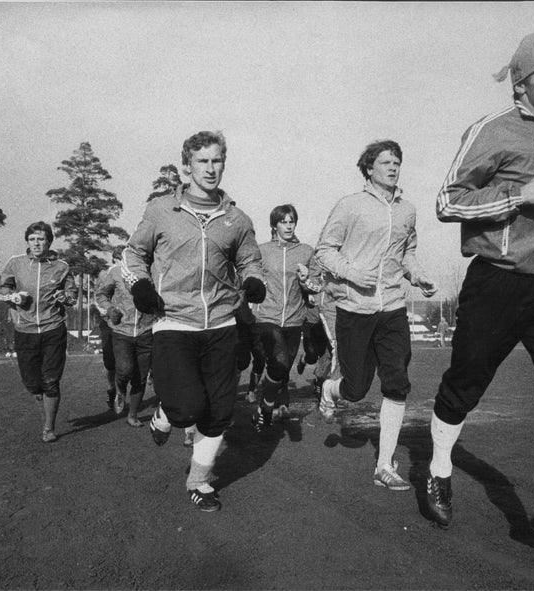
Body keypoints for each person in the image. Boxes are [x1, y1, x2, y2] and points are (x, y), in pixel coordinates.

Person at [425, 33, 534, 573]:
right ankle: (437, 469)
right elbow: (447, 201)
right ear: (523, 82)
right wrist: (518, 197)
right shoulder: (491, 129)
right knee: (464, 387)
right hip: (497, 284)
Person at [123, 131, 265, 512]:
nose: (210, 168)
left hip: (220, 322)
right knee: (188, 406)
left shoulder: (236, 218)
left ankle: (198, 482)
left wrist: (253, 280)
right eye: (202, 161)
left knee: (219, 412)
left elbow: (251, 260)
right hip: (173, 321)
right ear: (187, 166)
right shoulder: (160, 211)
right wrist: (139, 284)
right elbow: (133, 254)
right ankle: (166, 414)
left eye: (216, 160)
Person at [315, 140, 437, 491]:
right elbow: (325, 251)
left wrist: (418, 275)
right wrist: (352, 273)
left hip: (393, 306)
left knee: (397, 382)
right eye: (385, 162)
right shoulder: (349, 206)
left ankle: (384, 465)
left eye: (397, 161)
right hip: (355, 307)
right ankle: (330, 389)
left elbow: (407, 253)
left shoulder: (408, 210)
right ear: (369, 168)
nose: (393, 167)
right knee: (356, 389)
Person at [0, 221, 77, 443]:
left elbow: (72, 295)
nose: (36, 243)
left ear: (49, 241)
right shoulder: (16, 263)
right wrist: (13, 296)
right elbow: (3, 287)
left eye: (40, 239)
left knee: (51, 380)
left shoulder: (61, 266)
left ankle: (49, 427)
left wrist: (65, 298)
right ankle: (38, 392)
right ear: (27, 242)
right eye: (32, 239)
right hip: (25, 329)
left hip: (53, 328)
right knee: (32, 383)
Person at [251, 204, 316, 431]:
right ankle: (267, 407)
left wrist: (307, 280)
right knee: (279, 362)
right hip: (267, 317)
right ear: (274, 225)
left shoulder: (306, 251)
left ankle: (262, 408)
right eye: (283, 221)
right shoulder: (263, 251)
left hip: (295, 320)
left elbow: (317, 286)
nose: (288, 225)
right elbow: (250, 274)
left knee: (282, 369)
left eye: (291, 221)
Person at [95, 245, 155, 427]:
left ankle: (133, 415)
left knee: (141, 376)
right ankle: (120, 388)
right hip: (122, 330)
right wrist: (110, 309)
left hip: (147, 330)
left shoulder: (154, 272)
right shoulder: (116, 272)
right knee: (125, 369)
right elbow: (101, 294)